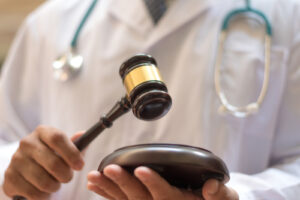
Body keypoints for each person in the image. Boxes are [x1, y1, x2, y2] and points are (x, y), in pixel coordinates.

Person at [1, 0, 300, 199]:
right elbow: (6, 138)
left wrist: (240, 196)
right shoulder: (50, 22)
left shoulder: (288, 17)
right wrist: (15, 170)